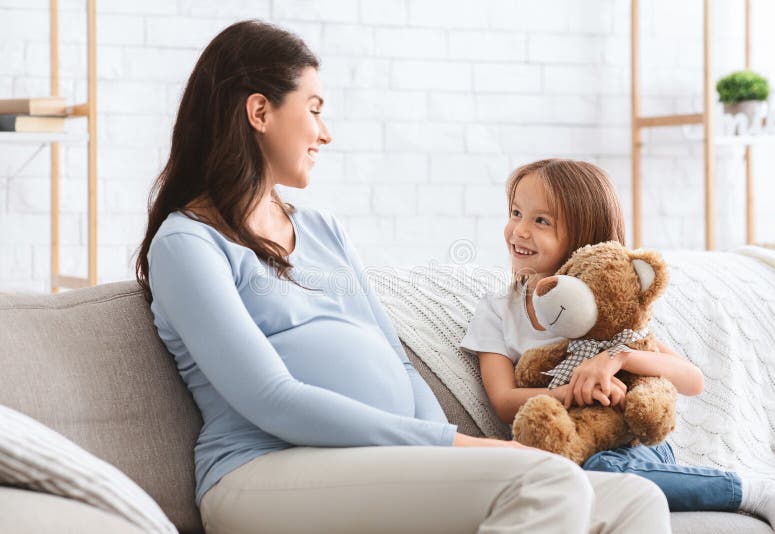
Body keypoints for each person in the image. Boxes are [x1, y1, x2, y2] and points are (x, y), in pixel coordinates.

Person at [133, 21, 673, 534]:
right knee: (545, 482)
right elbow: (272, 398)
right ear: (259, 111)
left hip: (381, 462)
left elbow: (397, 361)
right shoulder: (188, 244)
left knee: (635, 500)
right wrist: (455, 448)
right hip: (263, 471)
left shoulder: (322, 229)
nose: (325, 132)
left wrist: (443, 446)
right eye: (314, 109)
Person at [461, 158, 775, 534]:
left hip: (634, 441)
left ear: (583, 233)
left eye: (541, 221)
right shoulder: (498, 310)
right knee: (587, 473)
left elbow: (692, 380)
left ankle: (754, 492)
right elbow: (505, 401)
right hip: (564, 443)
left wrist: (615, 358)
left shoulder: (608, 307)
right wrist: (573, 392)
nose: (519, 230)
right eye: (516, 213)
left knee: (604, 469)